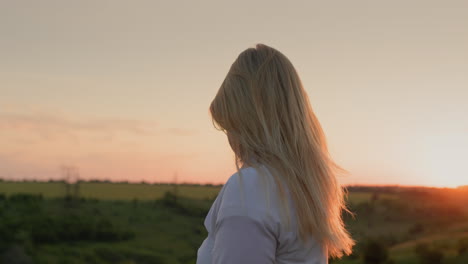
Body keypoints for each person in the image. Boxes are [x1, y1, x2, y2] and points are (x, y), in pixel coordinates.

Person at [196, 43, 355, 264]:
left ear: (248, 123)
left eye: (230, 127)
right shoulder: (304, 187)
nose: (230, 140)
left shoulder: (251, 188)